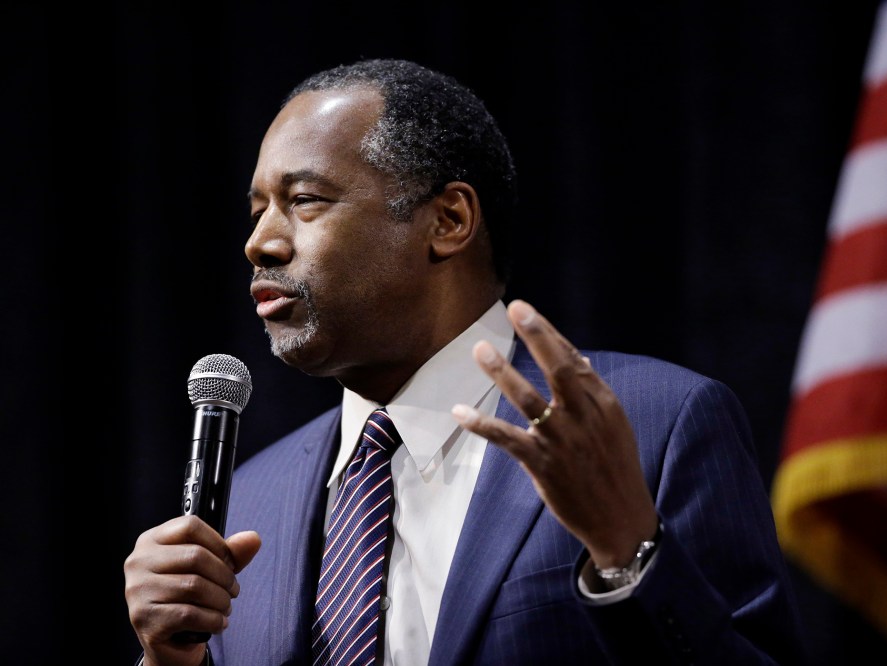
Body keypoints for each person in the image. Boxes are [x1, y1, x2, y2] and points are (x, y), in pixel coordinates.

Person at [124, 57, 805, 665]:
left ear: (449, 220)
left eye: (303, 201)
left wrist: (629, 551)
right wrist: (166, 662)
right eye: (257, 210)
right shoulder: (250, 499)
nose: (260, 243)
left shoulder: (654, 423)